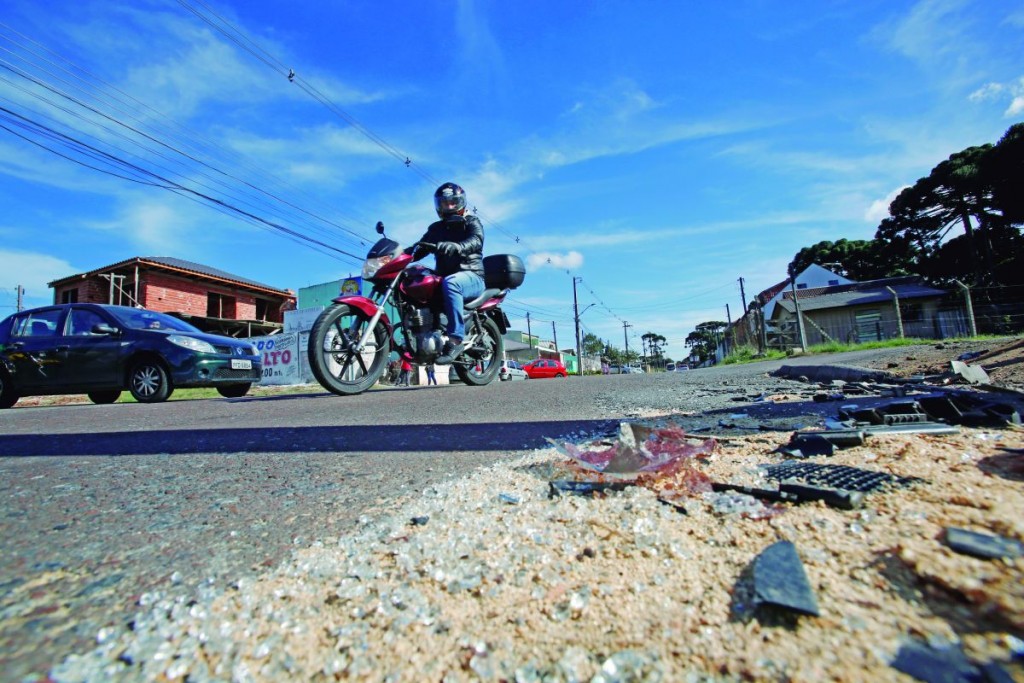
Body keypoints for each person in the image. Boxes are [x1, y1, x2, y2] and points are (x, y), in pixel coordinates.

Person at [406, 182, 485, 365]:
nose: (448, 206)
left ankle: (456, 339)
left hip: (472, 276)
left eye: (452, 202)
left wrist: (457, 246)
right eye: (444, 203)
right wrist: (398, 256)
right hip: (444, 277)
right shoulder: (436, 229)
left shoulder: (471, 222)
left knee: (451, 283)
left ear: (460, 203)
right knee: (415, 281)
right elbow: (419, 247)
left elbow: (476, 241)